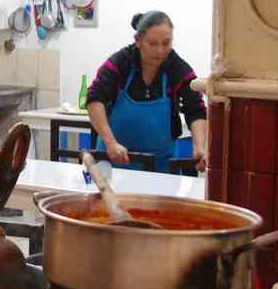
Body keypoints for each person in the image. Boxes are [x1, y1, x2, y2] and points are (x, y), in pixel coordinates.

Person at [86, 11, 207, 173]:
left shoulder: (177, 68)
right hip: (115, 162)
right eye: (153, 43)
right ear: (138, 41)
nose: (160, 50)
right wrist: (110, 143)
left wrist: (200, 147)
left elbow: (196, 108)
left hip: (161, 166)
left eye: (166, 43)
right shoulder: (120, 63)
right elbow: (94, 99)